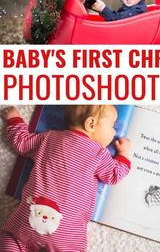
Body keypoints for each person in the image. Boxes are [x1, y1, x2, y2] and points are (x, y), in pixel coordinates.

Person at [0, 105, 131, 252]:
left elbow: (22, 144)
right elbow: (114, 175)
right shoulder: (99, 154)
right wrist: (124, 154)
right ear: (91, 124)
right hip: (66, 238)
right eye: (112, 126)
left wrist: (14, 120)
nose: (115, 132)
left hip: (24, 225)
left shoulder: (49, 138)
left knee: (11, 240)